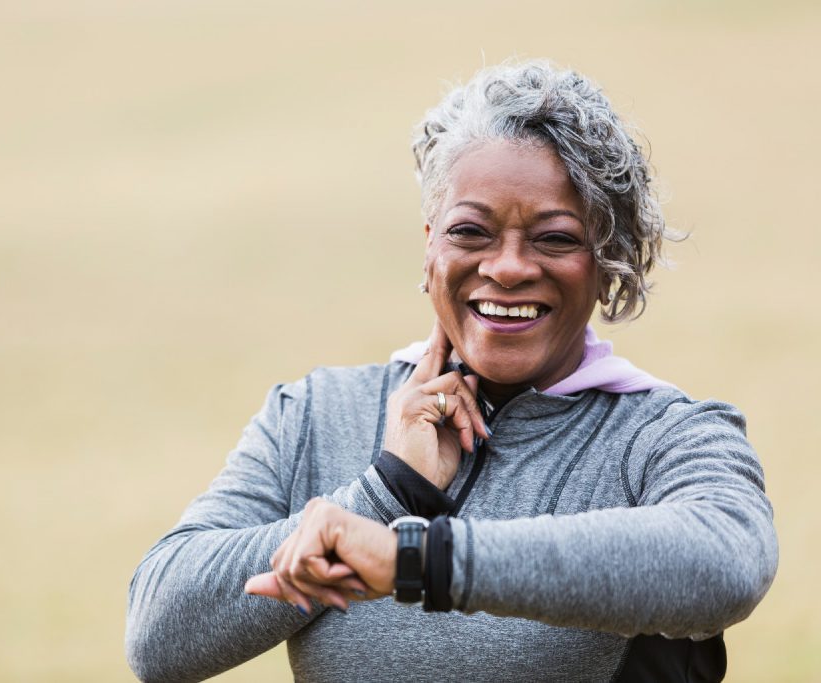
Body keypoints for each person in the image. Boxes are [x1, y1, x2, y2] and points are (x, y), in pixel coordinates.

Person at [125, 60, 778, 682]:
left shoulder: (664, 433)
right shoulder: (316, 413)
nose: (509, 266)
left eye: (555, 237)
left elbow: (727, 562)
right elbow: (158, 634)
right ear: (431, 242)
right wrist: (387, 491)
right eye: (471, 232)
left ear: (607, 259)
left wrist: (419, 559)